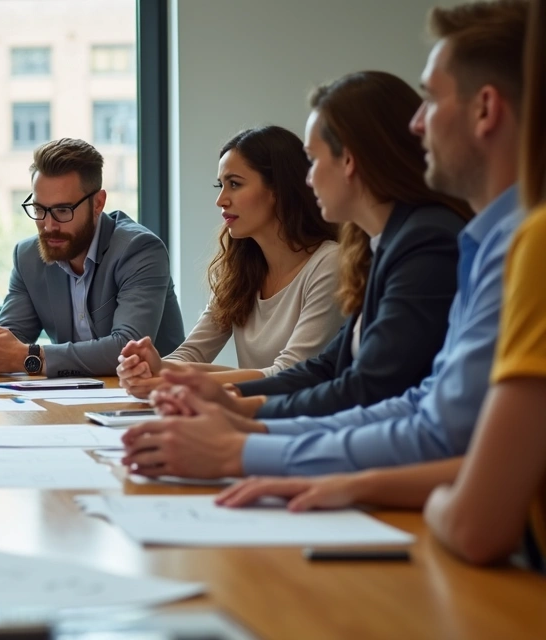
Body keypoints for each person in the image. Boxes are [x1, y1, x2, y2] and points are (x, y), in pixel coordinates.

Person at [120, 0, 528, 481]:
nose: (419, 124)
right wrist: (233, 406)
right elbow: (334, 371)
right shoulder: (389, 244)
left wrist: (244, 434)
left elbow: (374, 393)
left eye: (314, 160)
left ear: (350, 161)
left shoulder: (429, 242)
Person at [218, 0, 546, 570]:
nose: (417, 124)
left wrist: (253, 443)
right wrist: (243, 419)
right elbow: (421, 404)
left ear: (486, 109)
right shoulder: (473, 240)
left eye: (432, 98)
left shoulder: (474, 240)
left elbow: (462, 487)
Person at [123, 72, 473, 419]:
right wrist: (217, 395)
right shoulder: (378, 246)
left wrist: (239, 418)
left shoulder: (416, 243)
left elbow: (363, 389)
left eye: (314, 160)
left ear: (348, 161)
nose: (308, 178)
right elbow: (325, 369)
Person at [117, 126, 343, 394]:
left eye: (234, 184)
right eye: (220, 185)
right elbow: (191, 353)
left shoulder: (330, 264)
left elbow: (288, 374)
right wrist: (150, 369)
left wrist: (170, 376)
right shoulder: (242, 269)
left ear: (278, 190)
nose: (220, 200)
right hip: (252, 417)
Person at [0, 138, 184, 378]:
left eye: (63, 210)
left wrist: (29, 357)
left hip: (155, 400)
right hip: (70, 402)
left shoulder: (140, 250)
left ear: (98, 203)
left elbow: (127, 349)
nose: (48, 226)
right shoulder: (28, 257)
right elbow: (7, 343)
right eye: (40, 209)